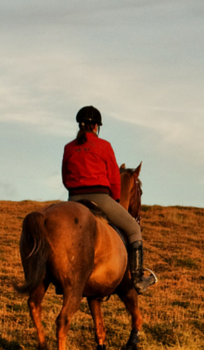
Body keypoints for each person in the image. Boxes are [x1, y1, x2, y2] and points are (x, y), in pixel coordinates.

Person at [62, 106, 155, 294]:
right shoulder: (104, 146)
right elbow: (114, 178)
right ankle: (138, 279)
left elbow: (65, 177)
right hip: (99, 196)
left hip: (73, 199)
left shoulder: (69, 147)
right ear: (96, 126)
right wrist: (113, 199)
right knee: (133, 228)